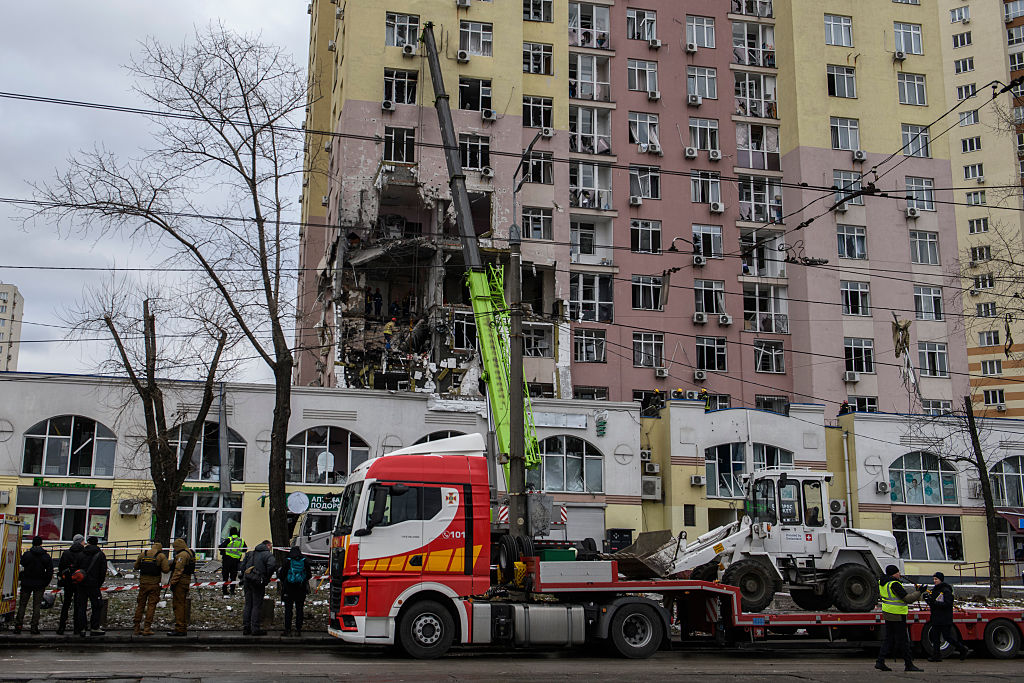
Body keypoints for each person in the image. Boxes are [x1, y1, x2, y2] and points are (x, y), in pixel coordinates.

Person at [875, 564, 923, 672]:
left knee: (889, 638)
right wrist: (919, 592)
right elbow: (908, 599)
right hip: (897, 615)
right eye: (898, 572)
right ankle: (908, 664)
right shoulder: (894, 584)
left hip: (888, 613)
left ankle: (880, 661)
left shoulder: (882, 582)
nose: (899, 574)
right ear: (894, 573)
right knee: (903, 640)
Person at [922, 572, 969, 662]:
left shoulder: (946, 591)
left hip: (944, 618)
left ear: (941, 580)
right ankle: (936, 655)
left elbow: (947, 604)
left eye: (936, 579)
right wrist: (927, 599)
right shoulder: (935, 590)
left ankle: (962, 649)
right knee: (935, 637)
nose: (934, 581)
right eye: (934, 579)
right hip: (935, 617)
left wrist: (934, 602)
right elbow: (933, 603)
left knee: (947, 637)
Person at [13, 536, 54, 635]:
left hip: (26, 583)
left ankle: (18, 626)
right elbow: (50, 572)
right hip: (39, 584)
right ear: (41, 544)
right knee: (37, 606)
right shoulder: (45, 556)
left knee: (22, 605)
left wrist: (22, 578)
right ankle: (34, 627)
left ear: (32, 543)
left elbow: (20, 566)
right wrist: (45, 582)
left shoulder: (27, 555)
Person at [240, 540, 277, 636]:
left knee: (248, 604)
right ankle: (255, 628)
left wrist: (243, 577)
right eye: (270, 546)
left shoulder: (250, 554)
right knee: (256, 605)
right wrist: (266, 577)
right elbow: (272, 565)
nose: (271, 548)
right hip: (258, 582)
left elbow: (242, 566)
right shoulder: (268, 555)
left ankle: (246, 627)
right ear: (267, 545)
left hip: (247, 580)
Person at [132, 541, 169, 636]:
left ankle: (136, 627)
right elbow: (166, 570)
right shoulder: (161, 556)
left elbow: (136, 566)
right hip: (154, 585)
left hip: (143, 584)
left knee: (140, 605)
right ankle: (147, 628)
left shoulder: (143, 554)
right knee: (151, 606)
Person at [73, 536, 107, 637]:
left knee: (81, 606)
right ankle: (94, 627)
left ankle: (82, 628)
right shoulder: (100, 555)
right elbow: (103, 572)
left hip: (82, 584)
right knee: (97, 605)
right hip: (94, 585)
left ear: (88, 543)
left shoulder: (81, 554)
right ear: (97, 543)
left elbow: (75, 569)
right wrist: (98, 583)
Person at [278, 546, 312, 637]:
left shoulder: (287, 561)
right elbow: (309, 575)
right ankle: (298, 629)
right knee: (299, 609)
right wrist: (302, 580)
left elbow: (282, 575)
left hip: (288, 589)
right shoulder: (304, 561)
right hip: (301, 589)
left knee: (288, 609)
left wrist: (286, 581)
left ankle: (287, 629)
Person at [56, 534, 84, 635]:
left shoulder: (66, 553)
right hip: (79, 582)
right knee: (78, 605)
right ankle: (77, 628)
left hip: (68, 582)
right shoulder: (83, 553)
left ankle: (61, 627)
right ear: (81, 541)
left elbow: (61, 567)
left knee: (66, 604)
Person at [167, 538, 195, 636]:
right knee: (182, 604)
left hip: (180, 582)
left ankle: (180, 628)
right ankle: (182, 627)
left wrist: (173, 583)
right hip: (186, 581)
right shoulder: (190, 553)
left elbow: (178, 570)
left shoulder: (182, 555)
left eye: (175, 547)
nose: (174, 550)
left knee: (178, 605)